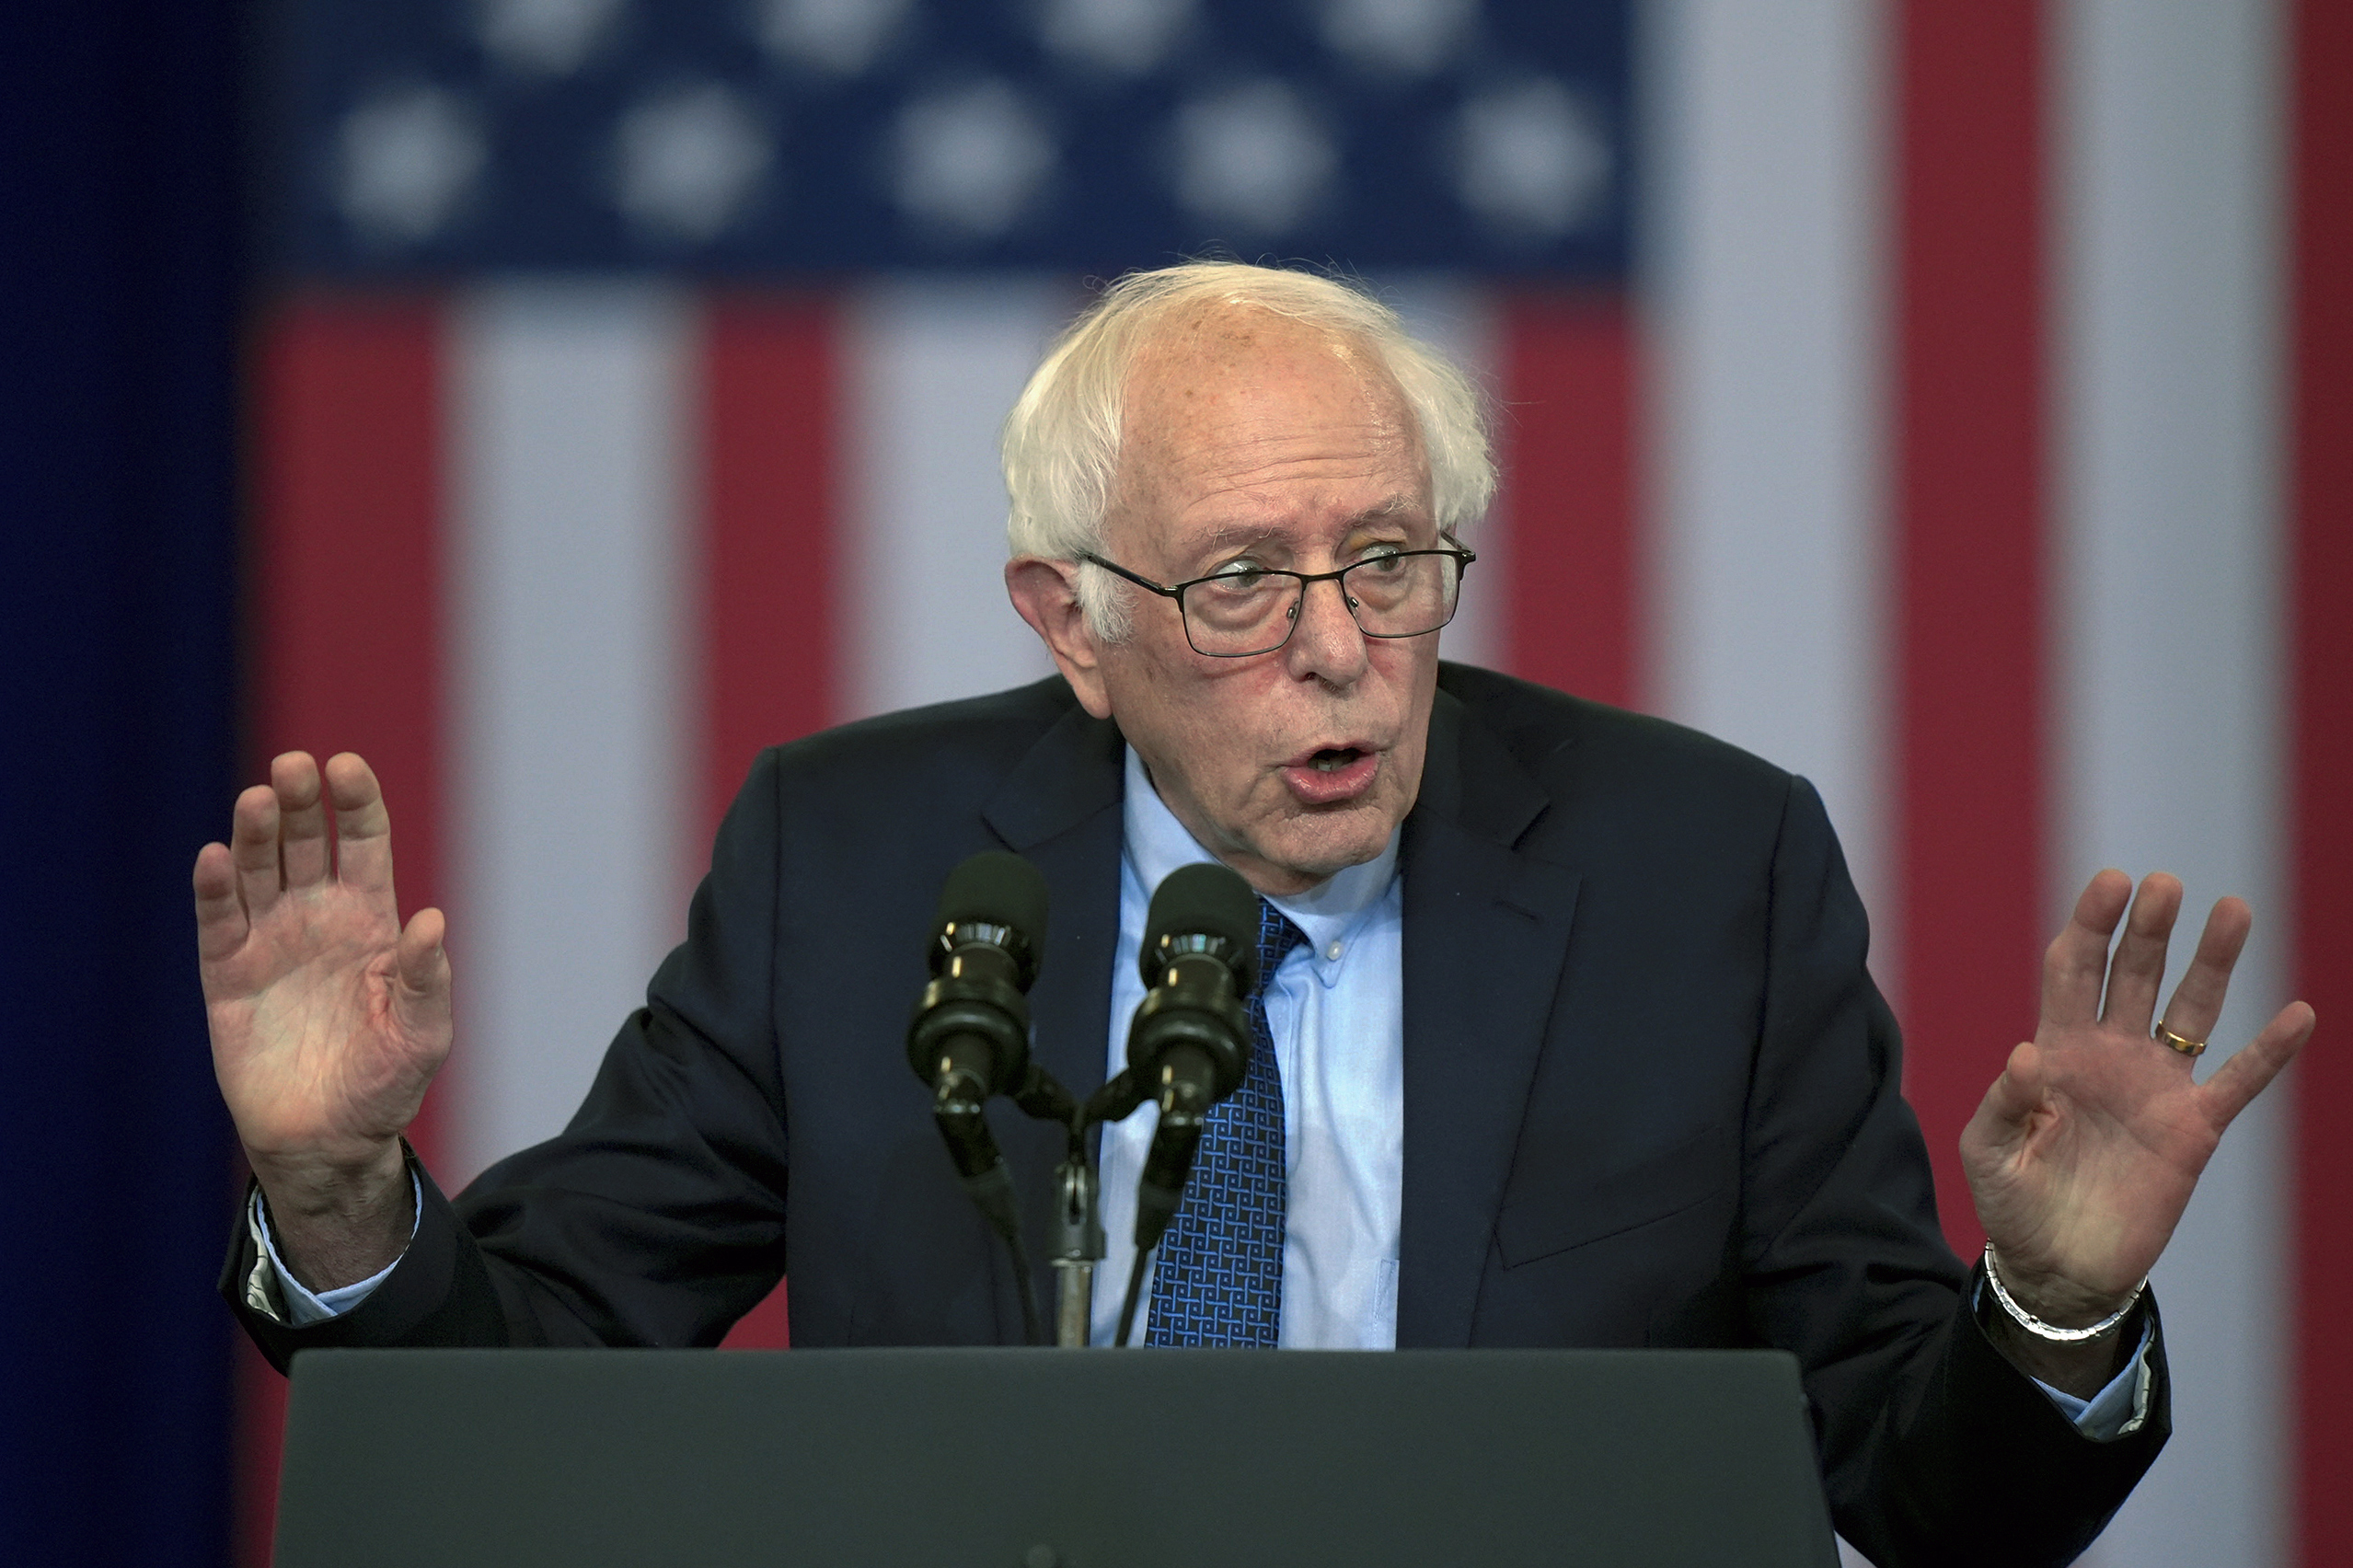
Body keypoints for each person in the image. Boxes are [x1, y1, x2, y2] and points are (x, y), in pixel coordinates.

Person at [198, 262, 2313, 1566]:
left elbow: (1919, 1508)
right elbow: (535, 1393)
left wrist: (2041, 1311)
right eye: (1238, 581)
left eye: (1388, 557)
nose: (1340, 649)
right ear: (1072, 624)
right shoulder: (854, 861)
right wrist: (338, 1190)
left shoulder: (1701, 871)